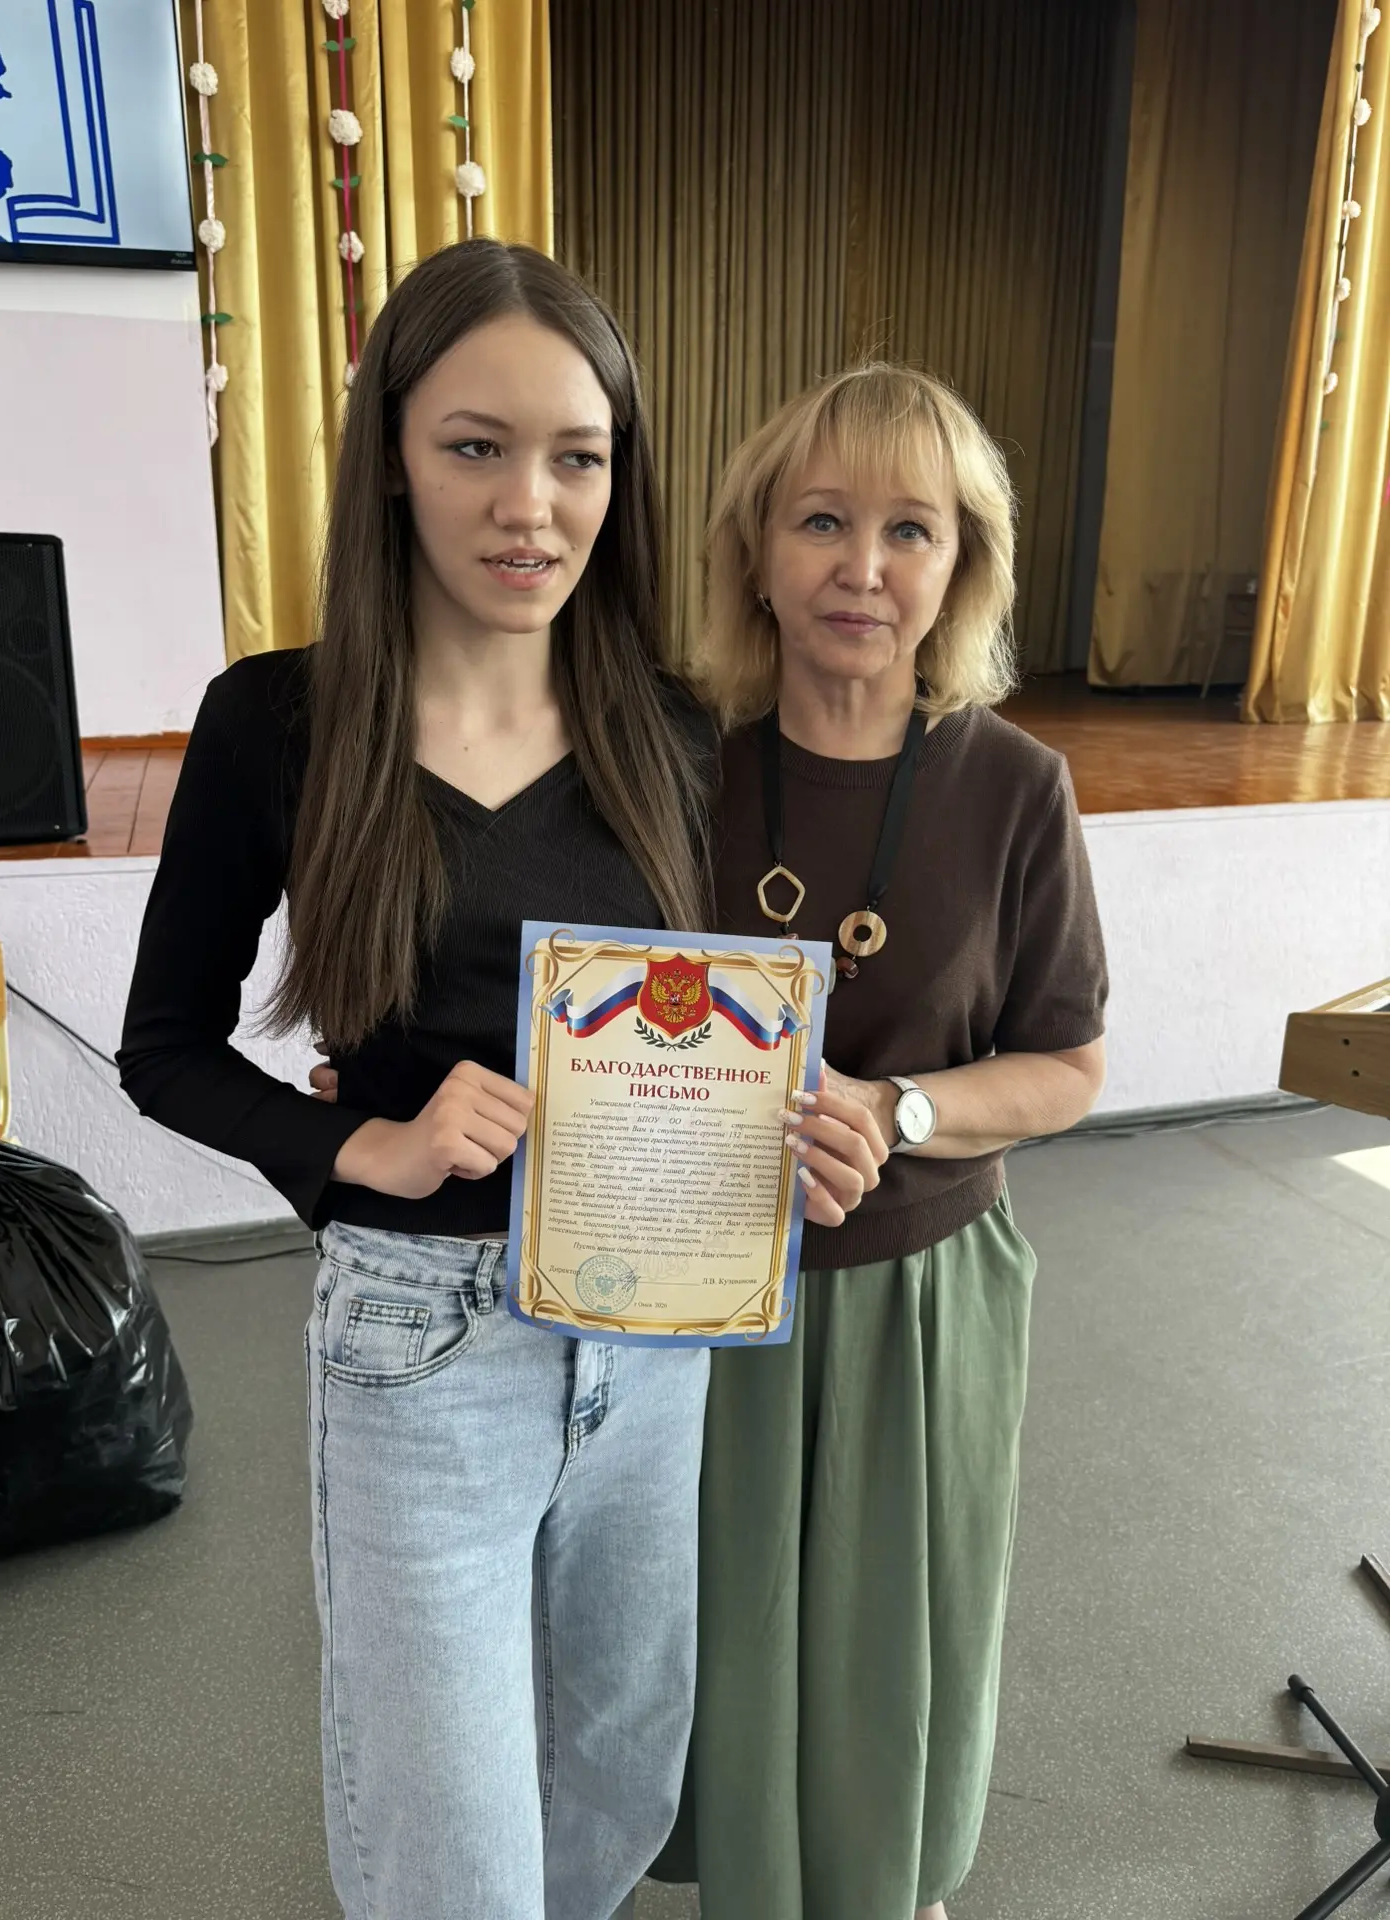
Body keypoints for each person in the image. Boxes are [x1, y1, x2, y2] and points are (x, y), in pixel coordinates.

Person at [118, 240, 883, 1920]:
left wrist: (807, 1125)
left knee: (617, 1787)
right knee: (455, 1858)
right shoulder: (278, 723)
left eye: (577, 457)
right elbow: (163, 1047)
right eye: (477, 446)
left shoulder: (675, 731)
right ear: (393, 453)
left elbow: (710, 1025)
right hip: (424, 1346)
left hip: (658, 1337)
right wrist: (360, 1147)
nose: (531, 506)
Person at [650, 363, 1110, 1920]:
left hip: (922, 1287)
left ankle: (883, 1883)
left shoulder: (1018, 787)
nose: (863, 567)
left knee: (892, 1623)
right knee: (716, 1610)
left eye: (911, 529)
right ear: (756, 550)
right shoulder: (674, 765)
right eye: (822, 522)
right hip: (700, 1287)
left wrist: (899, 1111)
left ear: (960, 565)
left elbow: (1069, 1063)